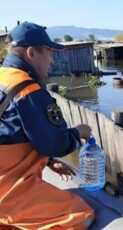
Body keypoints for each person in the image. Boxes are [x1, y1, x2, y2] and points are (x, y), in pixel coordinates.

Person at [0, 22, 94, 229]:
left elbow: (11, 131)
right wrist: (79, 132)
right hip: (7, 193)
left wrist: (49, 161)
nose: (52, 62)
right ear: (32, 53)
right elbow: (56, 143)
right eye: (50, 54)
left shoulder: (3, 77)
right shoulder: (27, 89)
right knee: (82, 214)